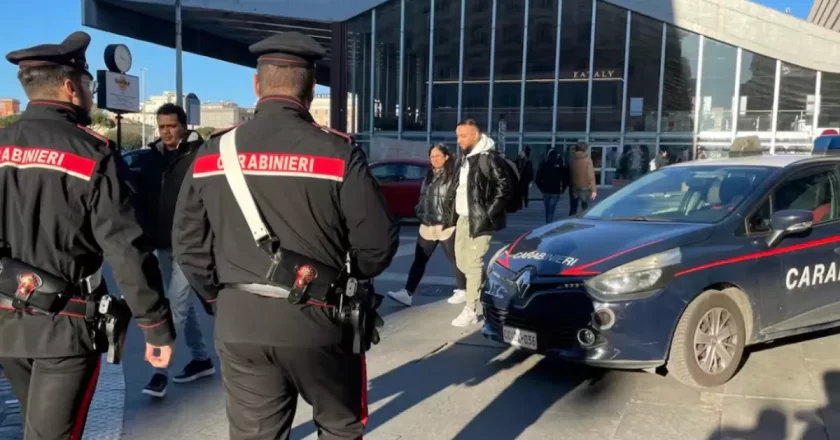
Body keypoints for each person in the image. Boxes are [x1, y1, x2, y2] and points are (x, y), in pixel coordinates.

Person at [172, 31, 398, 440]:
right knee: (340, 428)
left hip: (240, 321)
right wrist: (349, 274)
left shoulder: (211, 154)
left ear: (257, 86)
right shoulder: (339, 153)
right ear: (311, 90)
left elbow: (188, 245)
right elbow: (377, 248)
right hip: (321, 321)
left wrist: (219, 297)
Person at [0, 31, 174, 439]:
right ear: (69, 86)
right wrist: (155, 325)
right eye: (87, 84)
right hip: (66, 324)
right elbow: (125, 247)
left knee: (36, 427)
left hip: (6, 319)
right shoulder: (91, 153)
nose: (90, 92)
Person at [135, 103, 213, 398]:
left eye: (171, 126)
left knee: (175, 305)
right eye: (162, 126)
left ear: (183, 125)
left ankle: (159, 371)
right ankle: (201, 358)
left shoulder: (199, 155)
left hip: (191, 244)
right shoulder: (151, 157)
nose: (166, 132)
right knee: (183, 305)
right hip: (162, 243)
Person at [446, 119, 512, 327]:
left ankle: (470, 309)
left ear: (475, 135)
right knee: (462, 263)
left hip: (480, 220)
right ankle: (491, 291)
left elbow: (504, 188)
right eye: (457, 136)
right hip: (463, 219)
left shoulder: (489, 158)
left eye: (463, 136)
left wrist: (487, 215)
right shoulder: (463, 159)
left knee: (473, 264)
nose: (459, 140)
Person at [387, 144, 466, 307]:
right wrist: (419, 211)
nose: (434, 159)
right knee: (420, 260)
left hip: (446, 226)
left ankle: (463, 290)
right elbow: (424, 196)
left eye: (438, 156)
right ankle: (407, 293)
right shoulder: (429, 174)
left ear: (446, 156)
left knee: (457, 260)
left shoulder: (454, 173)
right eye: (432, 156)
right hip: (428, 225)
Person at [535, 149, 567, 223]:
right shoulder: (559, 165)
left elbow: (538, 179)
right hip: (556, 191)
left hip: (546, 190)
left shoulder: (544, 164)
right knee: (551, 209)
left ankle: (548, 222)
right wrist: (563, 188)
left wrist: (541, 187)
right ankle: (549, 222)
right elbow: (564, 178)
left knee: (547, 209)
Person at [569, 142, 597, 216]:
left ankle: (571, 223)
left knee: (573, 208)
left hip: (574, 187)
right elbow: (591, 176)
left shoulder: (571, 159)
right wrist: (594, 190)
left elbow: (568, 173)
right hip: (585, 188)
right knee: (585, 208)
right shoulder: (588, 160)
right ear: (585, 149)